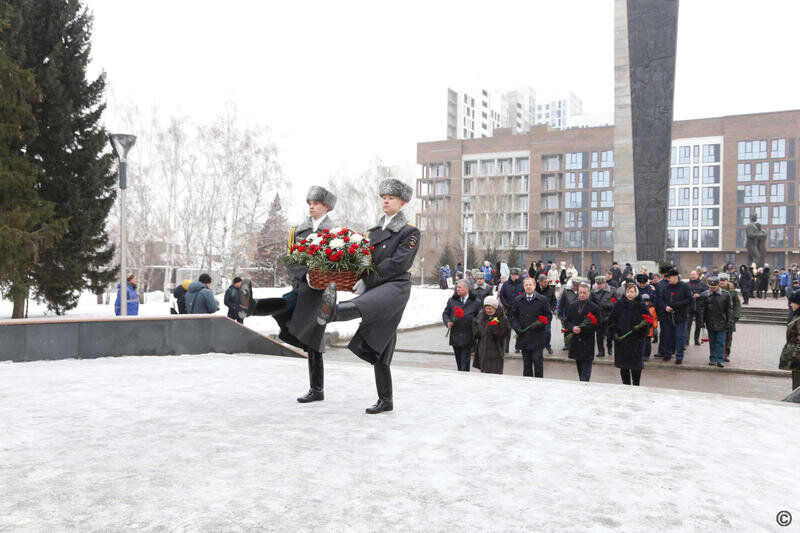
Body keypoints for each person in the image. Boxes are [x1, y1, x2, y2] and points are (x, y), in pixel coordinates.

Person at [317, 178, 419, 414]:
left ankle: (333, 312)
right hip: (376, 285)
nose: (385, 200)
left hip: (396, 286)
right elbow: (364, 258)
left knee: (366, 304)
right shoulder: (373, 232)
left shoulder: (409, 231)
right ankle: (386, 399)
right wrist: (354, 274)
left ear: (402, 203)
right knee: (382, 345)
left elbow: (399, 262)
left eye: (390, 198)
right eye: (383, 197)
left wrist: (369, 279)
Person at [241, 185, 337, 404]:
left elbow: (336, 261)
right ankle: (251, 306)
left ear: (327, 207)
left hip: (322, 291)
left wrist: (316, 275)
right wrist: (303, 273)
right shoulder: (299, 231)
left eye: (316, 204)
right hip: (302, 285)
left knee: (313, 338)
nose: (311, 207)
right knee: (289, 306)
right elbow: (291, 257)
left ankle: (252, 306)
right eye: (310, 203)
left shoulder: (334, 232)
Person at [509, 276, 551, 378]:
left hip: (537, 337)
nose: (528, 287)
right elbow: (513, 316)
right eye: (526, 285)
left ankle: (538, 385)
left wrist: (540, 324)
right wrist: (517, 328)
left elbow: (548, 316)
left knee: (538, 364)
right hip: (524, 338)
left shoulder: (542, 299)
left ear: (534, 286)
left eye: (530, 285)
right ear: (523, 286)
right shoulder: (518, 300)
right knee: (526, 366)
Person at [608, 281, 649, 386]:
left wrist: (640, 328)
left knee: (635, 368)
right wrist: (614, 334)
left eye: (632, 292)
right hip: (622, 342)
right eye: (628, 292)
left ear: (636, 292)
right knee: (624, 367)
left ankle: (636, 386)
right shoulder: (619, 304)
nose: (630, 294)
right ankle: (626, 386)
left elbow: (648, 321)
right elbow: (612, 320)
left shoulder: (641, 305)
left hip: (636, 342)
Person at [565, 282, 601, 382]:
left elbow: (597, 325)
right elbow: (567, 321)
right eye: (580, 292)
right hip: (576, 342)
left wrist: (582, 329)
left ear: (588, 293)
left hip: (587, 342)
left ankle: (584, 386)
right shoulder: (572, 306)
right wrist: (572, 328)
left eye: (584, 293)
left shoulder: (594, 308)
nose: (582, 294)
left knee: (585, 373)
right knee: (580, 368)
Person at [443, 280, 481, 371]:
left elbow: (480, 317)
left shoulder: (476, 302)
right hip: (455, 335)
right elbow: (445, 314)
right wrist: (447, 322)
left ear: (467, 289)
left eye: (460, 287)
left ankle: (464, 379)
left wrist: (474, 322)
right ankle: (461, 377)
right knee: (459, 361)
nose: (457, 289)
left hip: (468, 335)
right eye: (457, 287)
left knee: (465, 361)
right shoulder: (452, 300)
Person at [698, 276, 733, 368]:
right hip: (710, 322)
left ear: (718, 286)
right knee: (712, 341)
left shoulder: (726, 295)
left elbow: (729, 309)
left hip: (722, 321)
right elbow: (701, 310)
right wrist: (702, 322)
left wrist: (729, 321)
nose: (713, 289)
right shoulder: (705, 295)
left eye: (715, 287)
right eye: (711, 287)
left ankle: (720, 359)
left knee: (721, 342)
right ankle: (713, 358)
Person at [658, 268, 691, 364]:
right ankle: (668, 354)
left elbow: (689, 300)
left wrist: (677, 305)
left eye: (670, 278)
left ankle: (679, 357)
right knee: (668, 336)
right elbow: (661, 300)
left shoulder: (684, 287)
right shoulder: (666, 288)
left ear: (675, 277)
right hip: (668, 316)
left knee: (679, 337)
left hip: (680, 317)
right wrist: (665, 307)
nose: (668, 280)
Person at [472, 295, 510, 375]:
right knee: (484, 370)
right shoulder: (481, 314)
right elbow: (475, 323)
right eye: (487, 308)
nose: (488, 310)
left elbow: (506, 331)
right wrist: (477, 332)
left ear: (495, 308)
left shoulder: (501, 317)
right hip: (483, 347)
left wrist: (495, 330)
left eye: (490, 309)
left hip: (495, 348)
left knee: (494, 371)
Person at [499, 268, 525, 353]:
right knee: (507, 329)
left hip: (519, 310)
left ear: (519, 275)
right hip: (508, 310)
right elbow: (502, 295)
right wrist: (506, 305)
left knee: (518, 329)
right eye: (512, 275)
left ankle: (518, 347)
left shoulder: (522, 284)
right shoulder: (506, 284)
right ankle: (506, 348)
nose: (514, 277)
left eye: (516, 275)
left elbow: (524, 295)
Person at [779, 290, 800, 392]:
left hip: (798, 362)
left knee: (797, 389)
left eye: (793, 302)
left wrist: (796, 359)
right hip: (796, 360)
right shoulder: (797, 316)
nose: (791, 304)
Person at [590, 276, 614, 357]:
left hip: (609, 317)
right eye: (597, 284)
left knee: (609, 335)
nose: (599, 286)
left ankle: (609, 346)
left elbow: (617, 302)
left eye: (600, 284)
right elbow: (590, 303)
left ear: (604, 283)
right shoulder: (593, 292)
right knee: (599, 336)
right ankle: (601, 351)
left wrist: (609, 304)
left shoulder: (612, 290)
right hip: (598, 317)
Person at [719, 273, 740, 362]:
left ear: (727, 281)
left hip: (729, 318)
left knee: (728, 338)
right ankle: (718, 354)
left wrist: (736, 316)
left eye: (724, 280)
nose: (722, 282)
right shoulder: (715, 290)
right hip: (718, 318)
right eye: (720, 280)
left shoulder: (733, 292)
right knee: (718, 338)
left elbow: (737, 305)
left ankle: (726, 354)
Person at [535, 273, 557, 354]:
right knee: (537, 331)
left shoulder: (550, 289)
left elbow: (554, 300)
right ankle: (538, 346)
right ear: (540, 282)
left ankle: (547, 345)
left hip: (547, 314)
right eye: (544, 282)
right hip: (537, 315)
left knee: (547, 331)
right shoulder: (535, 289)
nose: (546, 283)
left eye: (547, 282)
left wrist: (552, 309)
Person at [557, 277, 581, 351]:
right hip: (568, 314)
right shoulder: (566, 291)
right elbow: (561, 303)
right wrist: (560, 314)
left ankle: (577, 345)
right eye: (575, 286)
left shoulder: (582, 291)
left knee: (577, 330)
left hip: (579, 314)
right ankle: (567, 344)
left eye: (577, 286)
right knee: (567, 330)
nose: (576, 288)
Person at [687, 270, 709, 346]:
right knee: (688, 325)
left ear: (698, 275)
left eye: (694, 274)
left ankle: (696, 340)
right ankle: (687, 340)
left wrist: (700, 295)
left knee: (698, 325)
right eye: (691, 274)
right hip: (689, 307)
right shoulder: (687, 284)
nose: (692, 276)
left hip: (699, 307)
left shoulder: (703, 284)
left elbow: (707, 294)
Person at [641, 294, 658, 360]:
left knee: (647, 344)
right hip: (641, 329)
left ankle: (646, 355)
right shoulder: (639, 308)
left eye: (647, 301)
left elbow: (655, 319)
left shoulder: (652, 309)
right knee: (641, 343)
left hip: (649, 329)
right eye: (644, 301)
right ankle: (641, 354)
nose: (646, 303)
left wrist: (655, 327)